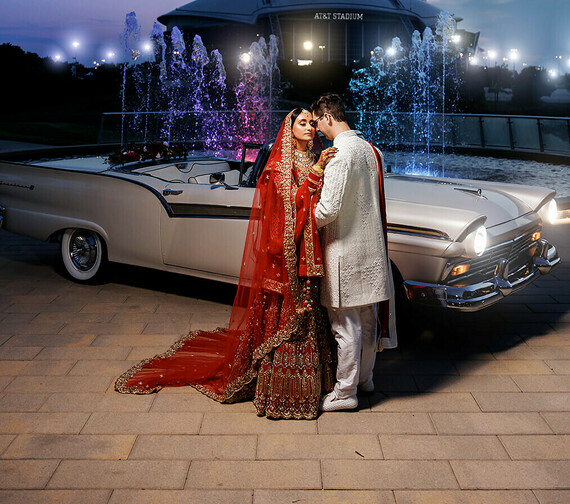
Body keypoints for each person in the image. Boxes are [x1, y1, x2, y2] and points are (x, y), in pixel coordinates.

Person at [115, 108, 337, 420]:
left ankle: (312, 385)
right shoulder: (278, 169)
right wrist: (317, 172)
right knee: (289, 316)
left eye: (313, 123)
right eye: (303, 123)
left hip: (309, 248)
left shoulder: (313, 158)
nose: (311, 128)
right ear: (289, 129)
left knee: (310, 312)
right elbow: (290, 208)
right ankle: (278, 391)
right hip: (286, 253)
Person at [310, 93, 397, 412]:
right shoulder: (372, 150)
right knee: (367, 319)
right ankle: (365, 379)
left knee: (345, 326)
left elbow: (329, 209)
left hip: (343, 252)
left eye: (318, 122)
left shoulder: (338, 153)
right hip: (372, 251)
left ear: (327, 117)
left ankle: (345, 392)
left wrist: (297, 220)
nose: (317, 130)